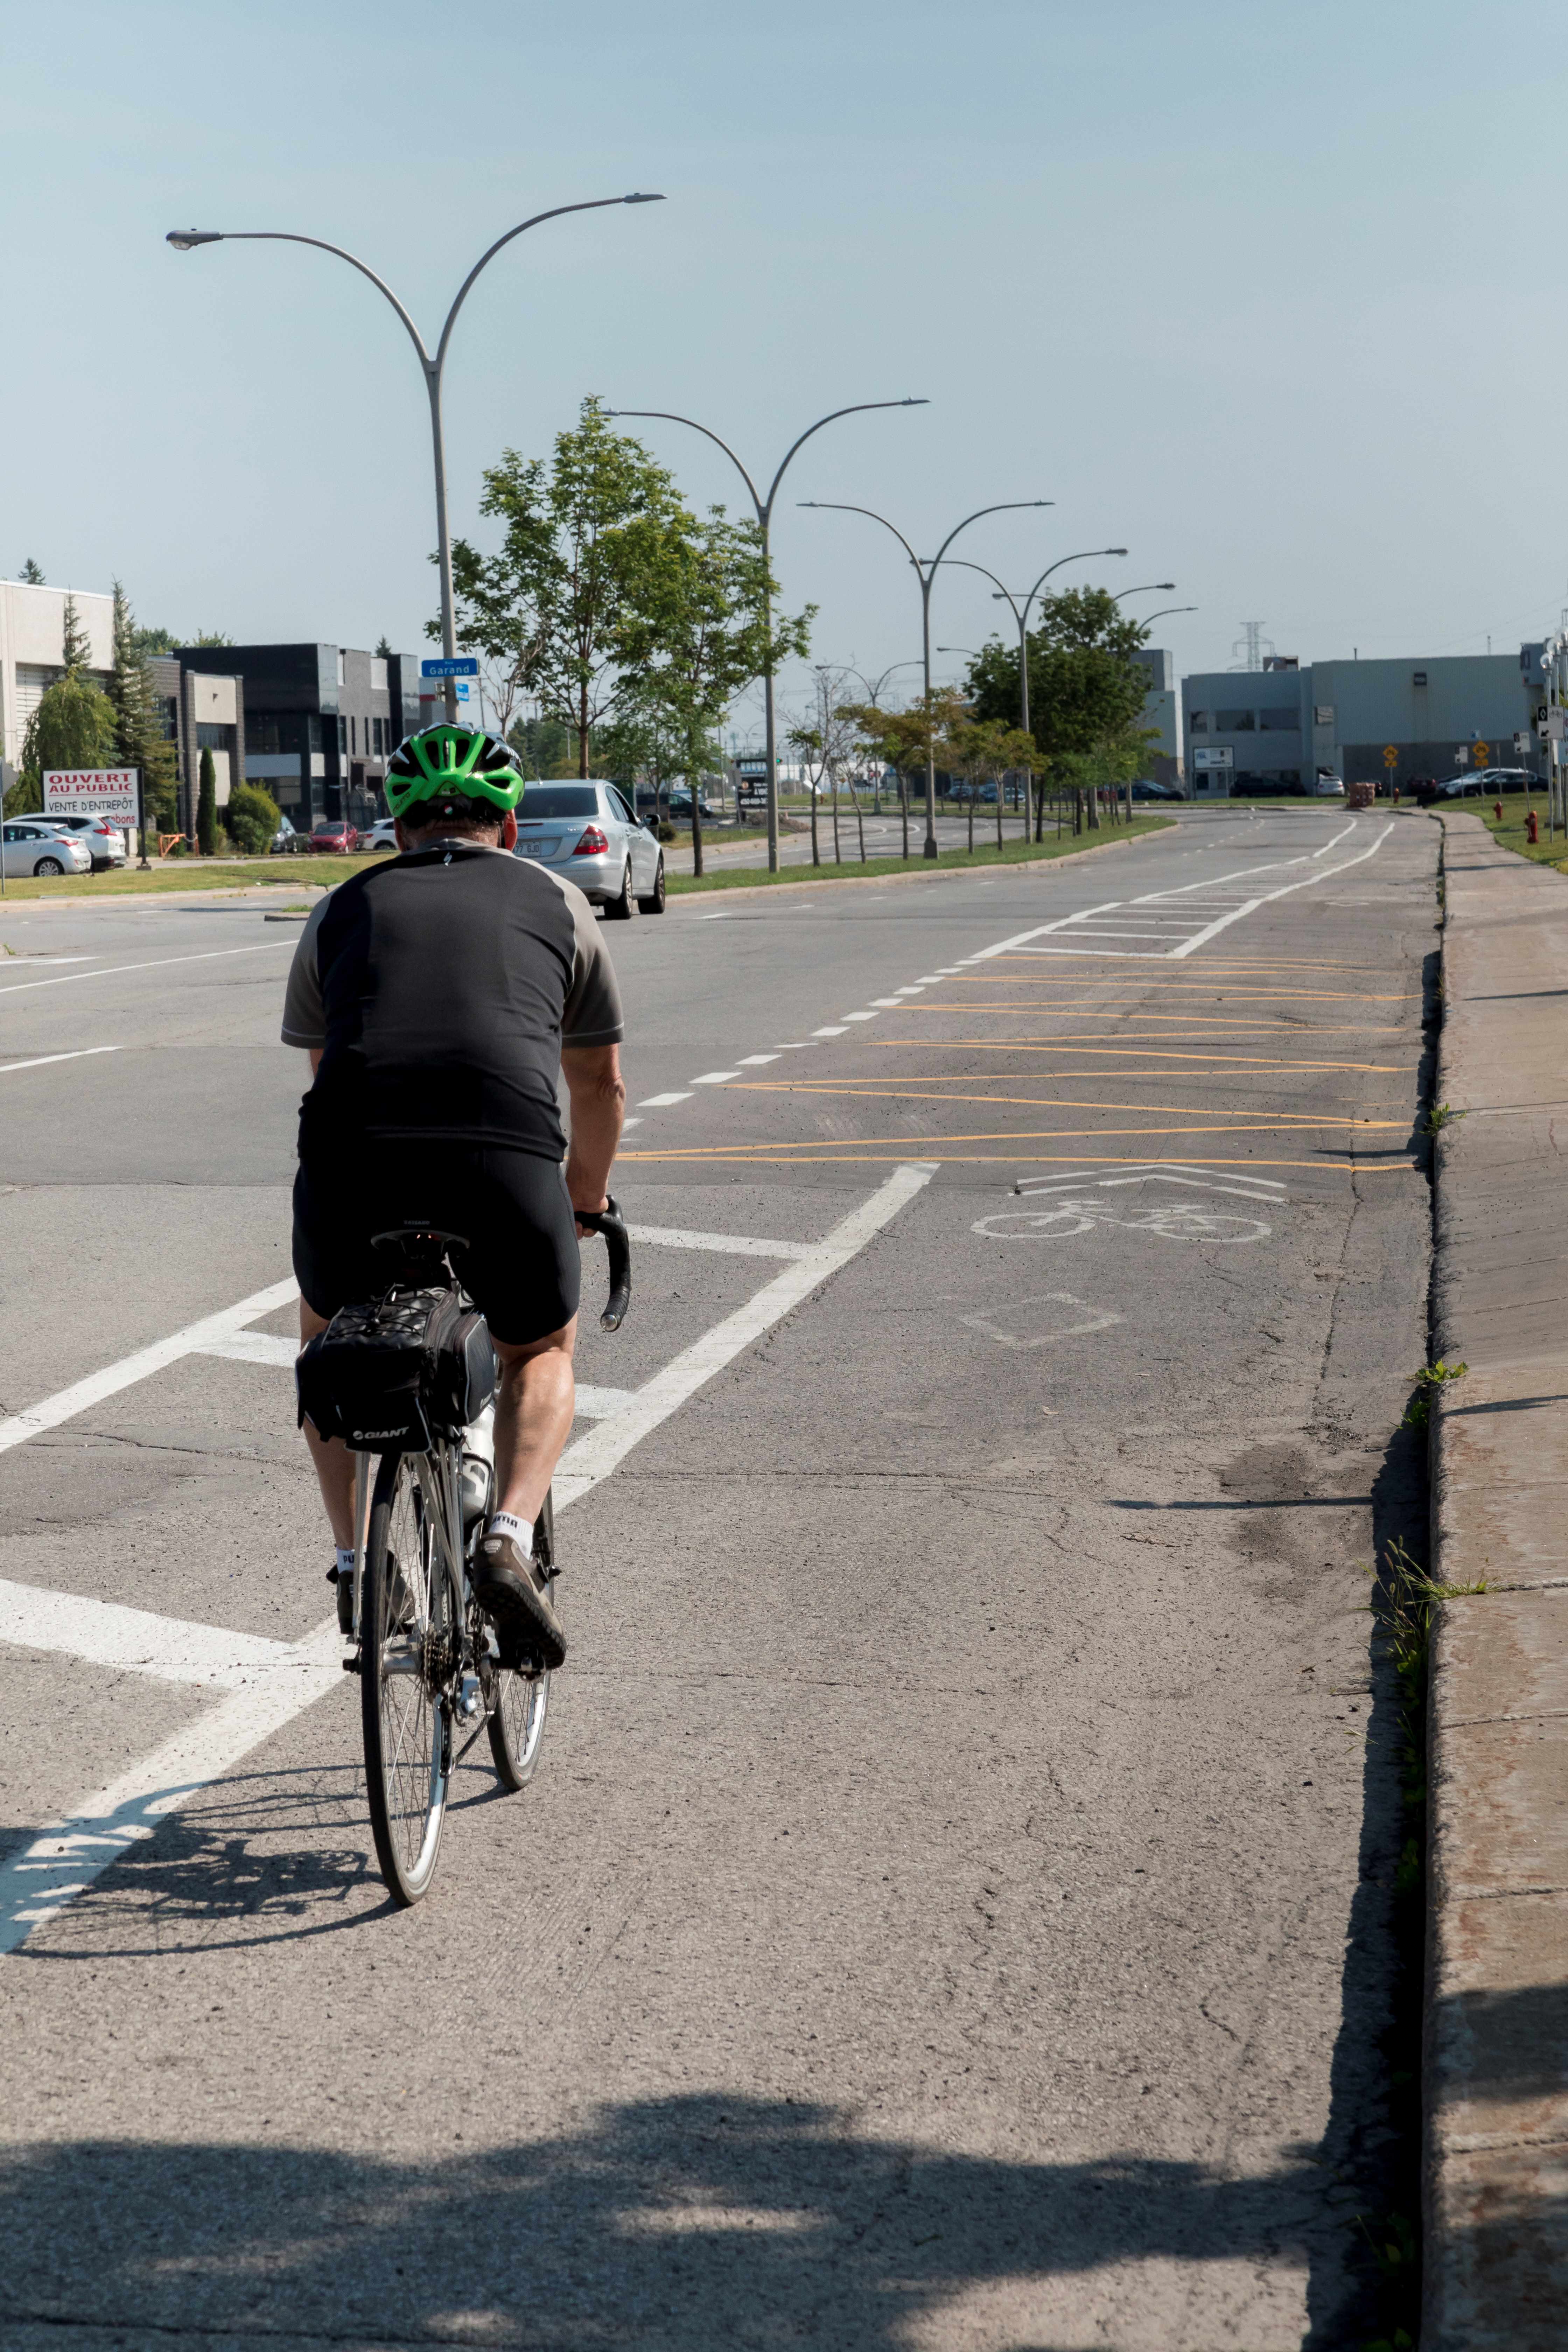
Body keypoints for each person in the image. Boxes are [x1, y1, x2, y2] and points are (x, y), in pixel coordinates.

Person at [280, 722, 626, 1671]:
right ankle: (508, 1536)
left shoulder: (340, 909)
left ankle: (358, 1564)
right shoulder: (561, 903)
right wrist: (584, 1202)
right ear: (509, 828)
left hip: (356, 1158)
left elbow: (327, 1068)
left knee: (325, 1341)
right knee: (541, 1345)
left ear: (397, 829)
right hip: (502, 1157)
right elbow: (597, 1083)